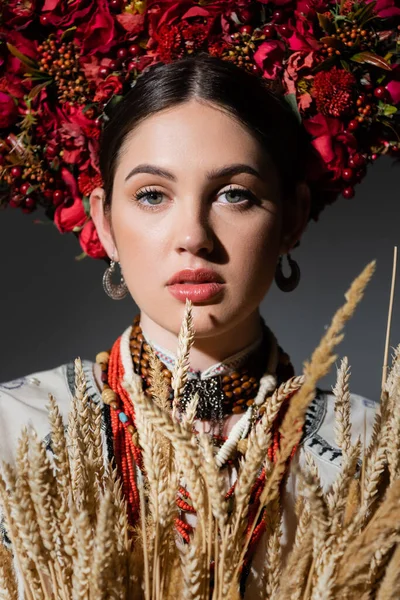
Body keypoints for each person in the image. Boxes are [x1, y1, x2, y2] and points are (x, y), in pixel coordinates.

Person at [0, 55, 376, 597]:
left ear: (291, 218)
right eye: (152, 194)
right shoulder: (15, 432)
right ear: (104, 222)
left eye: (234, 194)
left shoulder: (370, 451)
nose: (194, 235)